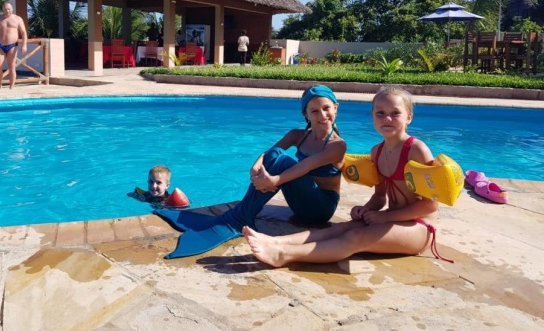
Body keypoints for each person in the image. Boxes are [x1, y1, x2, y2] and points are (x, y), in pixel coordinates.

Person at [243, 85, 448, 267]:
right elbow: (380, 197)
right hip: (393, 219)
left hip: (420, 227)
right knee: (340, 229)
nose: (387, 119)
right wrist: (366, 210)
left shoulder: (417, 150)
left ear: (409, 117)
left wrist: (385, 216)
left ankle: (283, 255)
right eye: (380, 113)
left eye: (395, 113)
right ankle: (275, 242)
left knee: (356, 236)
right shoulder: (377, 152)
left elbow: (430, 206)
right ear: (372, 116)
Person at [154, 84, 346, 258]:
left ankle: (241, 216)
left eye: (326, 108)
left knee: (285, 162)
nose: (322, 115)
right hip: (299, 205)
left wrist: (274, 181)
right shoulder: (298, 135)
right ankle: (242, 214)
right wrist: (256, 165)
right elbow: (270, 152)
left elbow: (304, 167)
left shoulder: (337, 145)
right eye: (315, 111)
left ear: (336, 108)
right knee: (275, 154)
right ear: (306, 114)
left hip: (320, 209)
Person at [0, 1, 27, 90]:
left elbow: (23, 32)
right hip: (0, 46)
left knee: (11, 66)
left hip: (12, 46)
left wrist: (24, 45)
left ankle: (12, 86)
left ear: (12, 9)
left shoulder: (18, 19)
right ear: (3, 9)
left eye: (9, 9)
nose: (7, 11)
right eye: (5, 9)